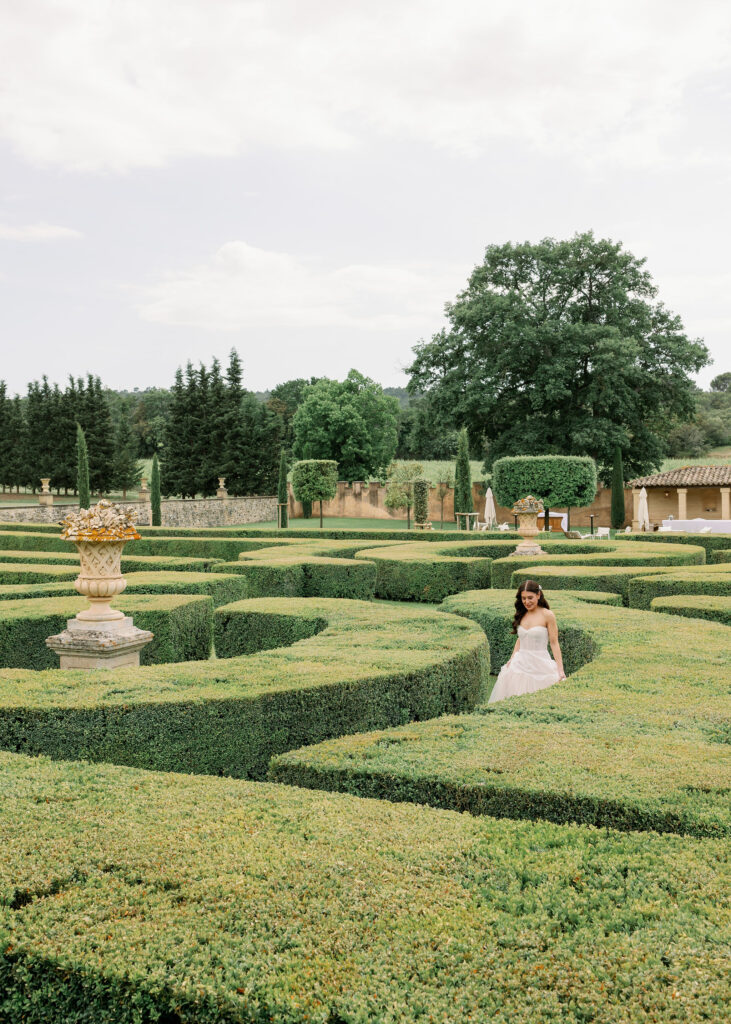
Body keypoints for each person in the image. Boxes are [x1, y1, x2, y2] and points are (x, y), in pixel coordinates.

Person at [488, 579, 566, 704]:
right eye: (523, 598)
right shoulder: (522, 614)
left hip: (540, 663)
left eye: (530, 598)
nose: (526, 602)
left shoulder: (548, 615)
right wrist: (512, 657)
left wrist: (560, 669)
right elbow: (521, 638)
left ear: (538, 595)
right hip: (520, 663)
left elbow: (554, 643)